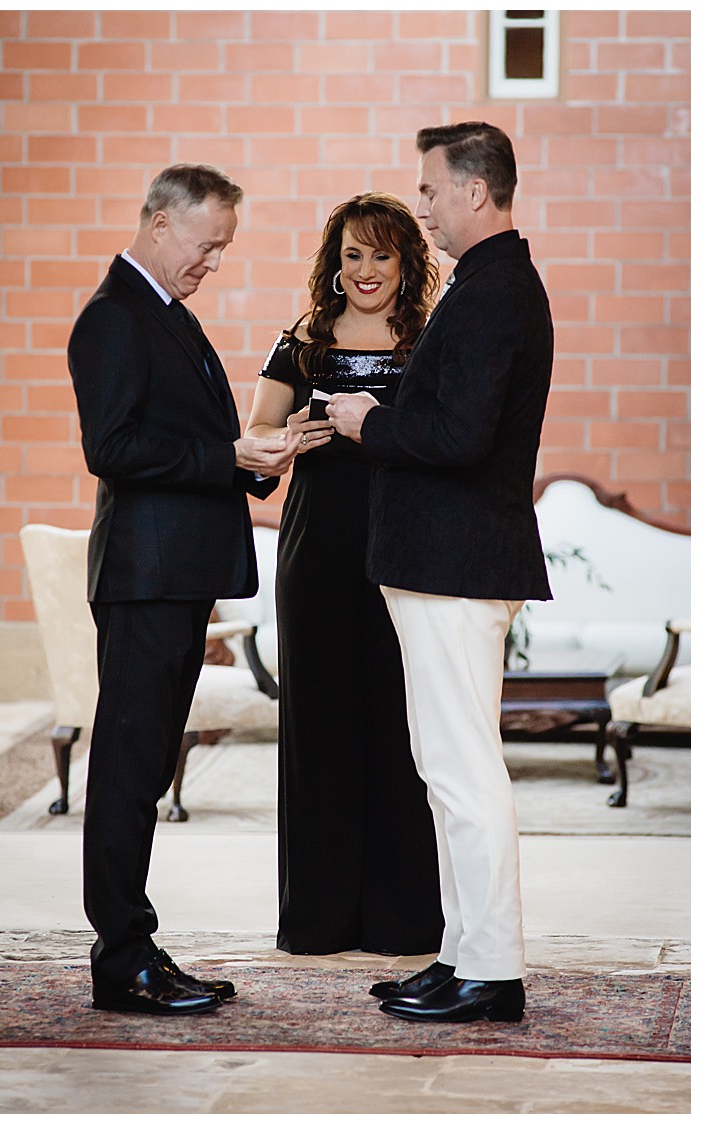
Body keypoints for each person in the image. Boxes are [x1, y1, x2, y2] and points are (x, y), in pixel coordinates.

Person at [328, 122, 553, 1024]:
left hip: (458, 563)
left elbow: (461, 438)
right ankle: (460, 954)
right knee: (444, 764)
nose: (420, 206)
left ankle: (492, 972)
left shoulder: (498, 290)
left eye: (429, 190)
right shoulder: (482, 283)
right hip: (440, 561)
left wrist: (366, 423)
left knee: (464, 770)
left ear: (474, 190)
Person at [67, 163, 299, 1016]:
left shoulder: (168, 315)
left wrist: (264, 453)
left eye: (224, 249)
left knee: (148, 765)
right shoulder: (115, 318)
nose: (213, 263)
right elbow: (113, 449)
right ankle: (119, 959)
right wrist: (231, 455)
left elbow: (188, 442)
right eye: (207, 245)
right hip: (143, 578)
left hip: (173, 575)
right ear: (159, 224)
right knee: (128, 771)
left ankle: (136, 944)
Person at [244, 193, 444, 957]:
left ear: (406, 263)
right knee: (320, 724)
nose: (365, 270)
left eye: (381, 254)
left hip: (405, 550)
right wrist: (284, 436)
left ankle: (404, 922)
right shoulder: (300, 344)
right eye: (352, 255)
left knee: (402, 727)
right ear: (334, 264)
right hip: (318, 550)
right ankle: (319, 919)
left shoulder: (428, 341)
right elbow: (254, 432)